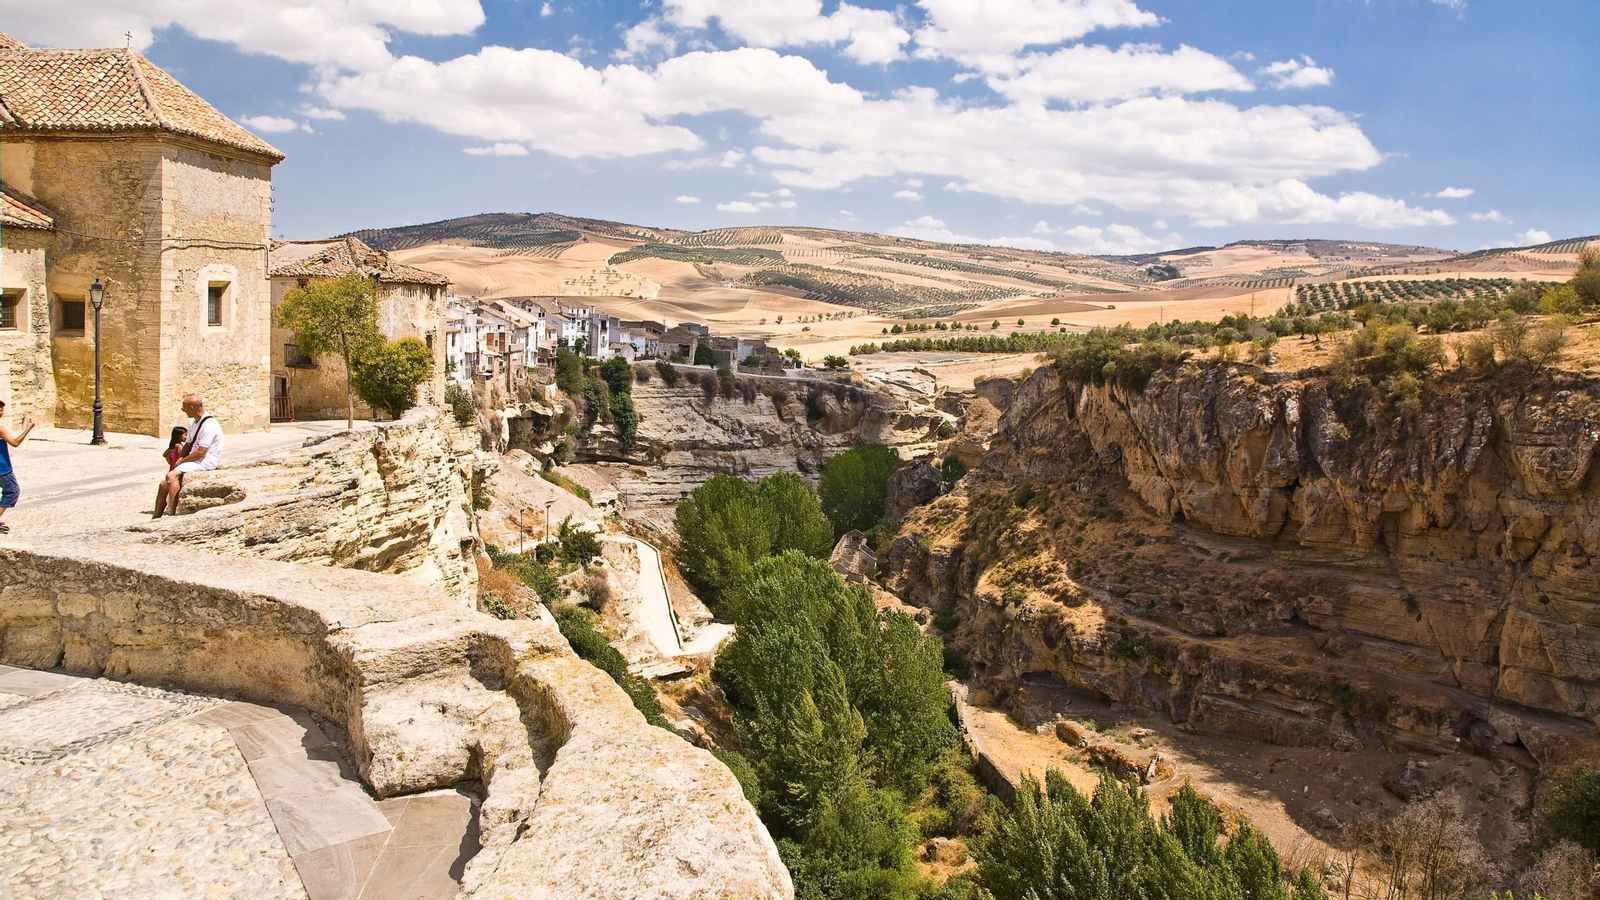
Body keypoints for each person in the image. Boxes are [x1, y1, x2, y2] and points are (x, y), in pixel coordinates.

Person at [153, 395, 224, 519]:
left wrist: (183, 460)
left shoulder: (210, 425)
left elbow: (201, 451)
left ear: (191, 408)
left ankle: (172, 512)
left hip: (206, 460)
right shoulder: (193, 422)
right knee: (163, 485)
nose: (183, 411)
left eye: (184, 408)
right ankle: (156, 517)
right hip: (195, 459)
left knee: (171, 476)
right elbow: (188, 443)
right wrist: (179, 459)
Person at [0, 399, 37, 535]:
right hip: (2, 468)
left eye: (2, 409)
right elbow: (15, 443)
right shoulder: (0, 428)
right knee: (12, 491)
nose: (2, 412)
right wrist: (27, 429)